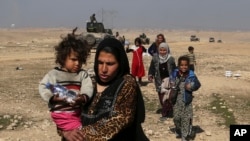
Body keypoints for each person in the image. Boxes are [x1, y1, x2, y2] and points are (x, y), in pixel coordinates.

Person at [62, 38, 149, 141]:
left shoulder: (127, 84)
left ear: (120, 64)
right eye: (100, 62)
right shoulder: (88, 82)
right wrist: (65, 130)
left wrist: (79, 134)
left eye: (110, 64)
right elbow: (65, 109)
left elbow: (116, 121)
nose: (103, 69)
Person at [38, 29, 93, 133]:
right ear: (63, 58)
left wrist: (83, 97)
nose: (77, 63)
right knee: (82, 134)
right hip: (61, 114)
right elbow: (44, 86)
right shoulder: (54, 75)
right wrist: (53, 98)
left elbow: (88, 87)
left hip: (77, 113)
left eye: (80, 60)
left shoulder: (82, 74)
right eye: (73, 60)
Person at [170, 56, 201, 141]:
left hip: (187, 100)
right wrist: (171, 83)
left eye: (186, 65)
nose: (184, 67)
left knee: (186, 118)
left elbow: (198, 84)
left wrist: (191, 86)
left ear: (188, 65)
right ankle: (178, 128)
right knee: (176, 118)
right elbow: (171, 80)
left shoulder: (191, 74)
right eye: (182, 65)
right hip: (176, 100)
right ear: (178, 65)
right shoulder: (175, 73)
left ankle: (184, 136)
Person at [148, 42, 176, 120]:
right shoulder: (155, 58)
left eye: (164, 50)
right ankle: (167, 110)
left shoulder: (171, 59)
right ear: (158, 50)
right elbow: (152, 67)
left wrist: (175, 77)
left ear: (167, 50)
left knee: (168, 96)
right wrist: (150, 75)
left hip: (169, 80)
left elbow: (174, 69)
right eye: (161, 50)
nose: (163, 52)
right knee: (161, 96)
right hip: (159, 80)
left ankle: (165, 113)